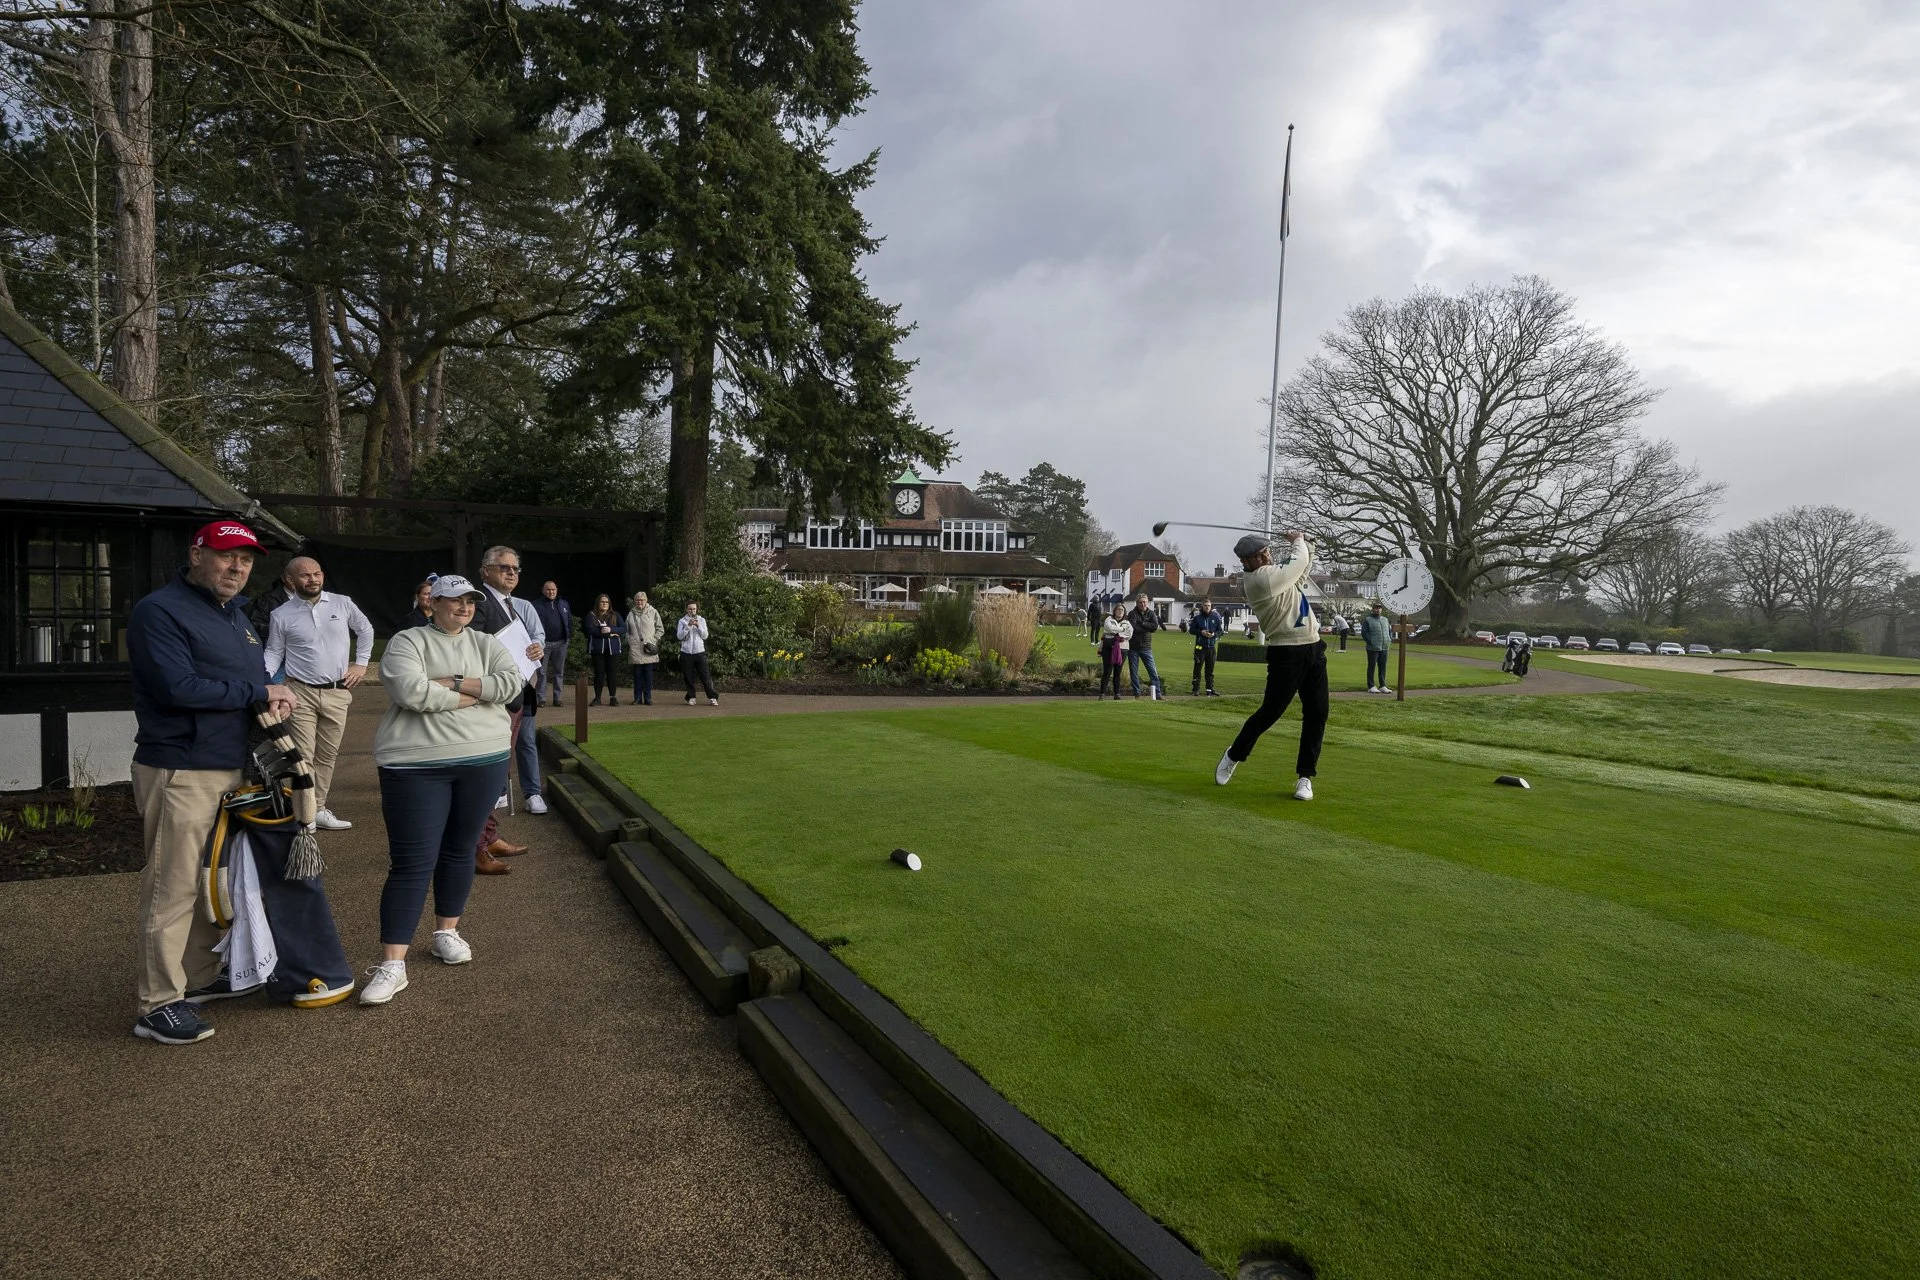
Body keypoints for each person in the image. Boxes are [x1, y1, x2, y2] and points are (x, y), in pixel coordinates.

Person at [125, 520, 299, 1044]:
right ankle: (158, 1003)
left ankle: (197, 978)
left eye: (246, 560)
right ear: (197, 555)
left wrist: (269, 691)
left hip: (226, 764)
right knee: (172, 885)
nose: (237, 567)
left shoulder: (238, 616)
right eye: (227, 556)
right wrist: (257, 691)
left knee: (209, 881)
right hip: (180, 766)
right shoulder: (159, 610)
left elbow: (246, 684)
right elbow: (178, 687)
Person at [359, 573, 523, 1006]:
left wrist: (448, 682)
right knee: (412, 861)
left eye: (470, 601)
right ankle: (393, 963)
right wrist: (475, 692)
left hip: (482, 760)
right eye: (454, 600)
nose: (464, 608)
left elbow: (511, 685)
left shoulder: (487, 643)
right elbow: (411, 693)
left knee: (459, 849)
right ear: (433, 603)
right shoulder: (407, 641)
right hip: (414, 764)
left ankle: (446, 932)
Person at [261, 556, 373, 832]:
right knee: (302, 755)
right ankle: (305, 813)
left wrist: (361, 664)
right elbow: (275, 651)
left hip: (337, 692)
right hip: (300, 692)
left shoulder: (342, 602)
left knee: (328, 755)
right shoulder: (281, 614)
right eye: (304, 575)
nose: (312, 579)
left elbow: (365, 630)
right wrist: (263, 681)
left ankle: (318, 808)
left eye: (317, 574)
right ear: (290, 580)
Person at [1214, 532, 1327, 802]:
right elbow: (1296, 564)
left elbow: (1299, 575)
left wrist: (1309, 546)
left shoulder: (1276, 575)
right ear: (1247, 562)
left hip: (1313, 648)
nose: (1267, 557)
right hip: (1285, 653)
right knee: (1270, 713)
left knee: (1318, 713)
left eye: (1267, 552)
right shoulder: (1260, 581)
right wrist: (1299, 540)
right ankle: (1234, 754)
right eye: (1261, 555)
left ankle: (1305, 777)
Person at [469, 546, 545, 867]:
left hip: (513, 697)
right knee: (487, 775)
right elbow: (473, 650)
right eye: (504, 567)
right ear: (485, 571)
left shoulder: (512, 605)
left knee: (498, 770)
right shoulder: (482, 605)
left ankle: (489, 837)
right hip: (494, 701)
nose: (511, 573)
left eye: (515, 568)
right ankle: (477, 848)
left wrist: (534, 651)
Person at [533, 580, 574, 707]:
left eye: (553, 590)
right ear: (543, 591)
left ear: (556, 590)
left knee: (559, 672)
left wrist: (569, 637)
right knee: (541, 672)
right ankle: (542, 698)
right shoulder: (535, 605)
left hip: (561, 643)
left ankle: (558, 698)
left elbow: (569, 621)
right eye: (548, 590)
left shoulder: (563, 604)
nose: (551, 592)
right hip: (543, 644)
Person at [584, 594, 624, 705]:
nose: (604, 604)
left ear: (609, 604)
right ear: (598, 603)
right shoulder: (591, 615)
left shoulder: (615, 615)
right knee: (599, 673)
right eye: (602, 602)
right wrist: (602, 632)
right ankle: (597, 698)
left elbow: (623, 628)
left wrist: (611, 629)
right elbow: (589, 629)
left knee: (612, 673)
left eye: (606, 602)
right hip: (597, 649)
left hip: (613, 649)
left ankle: (613, 697)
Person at [626, 590, 663, 706]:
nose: (639, 602)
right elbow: (626, 631)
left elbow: (660, 629)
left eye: (642, 600)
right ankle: (637, 698)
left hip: (648, 648)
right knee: (637, 675)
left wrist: (654, 640)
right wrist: (630, 641)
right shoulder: (630, 614)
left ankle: (648, 698)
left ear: (646, 600)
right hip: (636, 649)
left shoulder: (653, 612)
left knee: (648, 675)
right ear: (634, 601)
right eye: (637, 600)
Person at [677, 600, 719, 705]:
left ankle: (713, 697)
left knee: (705, 676)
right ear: (686, 609)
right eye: (690, 609)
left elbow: (705, 636)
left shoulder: (702, 620)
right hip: (686, 653)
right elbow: (679, 636)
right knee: (688, 676)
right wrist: (688, 626)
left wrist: (698, 626)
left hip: (700, 652)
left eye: (694, 609)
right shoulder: (682, 621)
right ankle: (691, 697)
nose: (692, 611)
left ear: (697, 609)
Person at [1124, 593, 1164, 699]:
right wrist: (1147, 626)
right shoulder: (1132, 613)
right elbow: (1133, 628)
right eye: (1140, 602)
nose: (1143, 604)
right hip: (1133, 648)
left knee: (1153, 672)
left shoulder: (1151, 613)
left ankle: (1158, 694)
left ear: (1147, 602)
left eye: (1145, 602)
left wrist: (1141, 623)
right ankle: (1137, 693)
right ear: (1137, 603)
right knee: (1134, 672)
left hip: (1146, 647)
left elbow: (1155, 627)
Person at [1188, 597, 1225, 696]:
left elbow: (1220, 631)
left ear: (1211, 606)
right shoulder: (1197, 618)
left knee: (1210, 669)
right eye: (1205, 606)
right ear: (1202, 606)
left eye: (1209, 606)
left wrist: (1213, 635)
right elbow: (1191, 630)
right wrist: (1201, 632)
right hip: (1200, 647)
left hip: (1211, 647)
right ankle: (1195, 689)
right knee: (1197, 669)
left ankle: (1210, 689)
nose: (1207, 607)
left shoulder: (1215, 618)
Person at [1098, 603, 1132, 700]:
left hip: (1123, 648)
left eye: (1122, 610)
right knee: (1107, 671)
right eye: (1118, 609)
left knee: (1118, 672)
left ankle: (1117, 694)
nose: (1120, 611)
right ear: (1114, 611)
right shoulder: (1109, 620)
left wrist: (1116, 634)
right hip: (1109, 647)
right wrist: (1122, 630)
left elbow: (1129, 634)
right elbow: (1108, 628)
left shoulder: (1127, 622)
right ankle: (1102, 693)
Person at [1361, 602, 1394, 693]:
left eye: (1379, 608)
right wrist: (1370, 641)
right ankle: (1371, 686)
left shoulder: (1385, 620)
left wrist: (1389, 639)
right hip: (1372, 648)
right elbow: (1364, 633)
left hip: (1384, 647)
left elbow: (1389, 631)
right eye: (1376, 607)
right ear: (1373, 609)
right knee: (1372, 666)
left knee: (1383, 666)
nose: (1378, 609)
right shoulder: (1368, 620)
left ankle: (1382, 685)